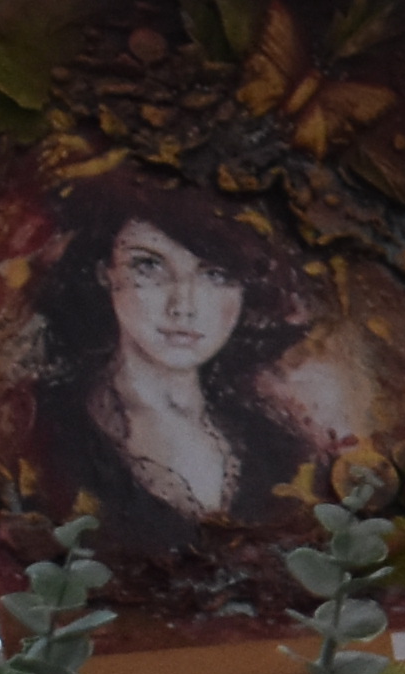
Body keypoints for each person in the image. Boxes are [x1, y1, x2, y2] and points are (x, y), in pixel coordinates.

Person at [22, 174, 338, 574]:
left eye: (216, 274)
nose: (183, 306)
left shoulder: (278, 446)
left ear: (245, 288)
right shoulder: (45, 430)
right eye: (149, 266)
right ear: (105, 272)